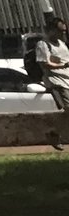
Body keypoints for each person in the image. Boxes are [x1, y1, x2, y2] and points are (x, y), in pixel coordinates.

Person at [35, 14, 69, 150]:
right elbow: (45, 64)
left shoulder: (62, 44)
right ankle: (54, 134)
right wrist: (62, 66)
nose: (63, 34)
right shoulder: (43, 44)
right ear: (51, 30)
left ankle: (53, 133)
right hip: (57, 82)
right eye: (60, 31)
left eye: (64, 31)